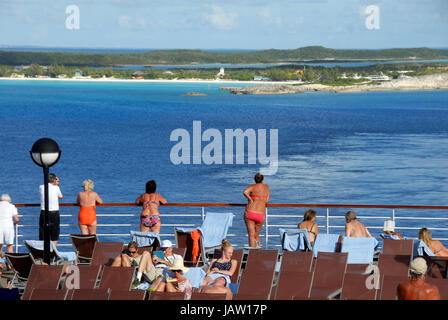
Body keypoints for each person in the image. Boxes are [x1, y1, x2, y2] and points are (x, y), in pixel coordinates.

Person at [243, 173, 270, 248]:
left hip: (250, 212)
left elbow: (245, 192)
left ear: (254, 179)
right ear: (263, 179)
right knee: (256, 234)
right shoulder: (266, 187)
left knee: (251, 235)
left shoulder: (252, 186)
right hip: (261, 214)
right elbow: (267, 200)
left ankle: (252, 254)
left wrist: (251, 199)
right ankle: (258, 253)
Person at [39, 173, 63, 247]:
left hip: (44, 212)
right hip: (54, 213)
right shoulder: (56, 188)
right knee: (54, 235)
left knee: (43, 234)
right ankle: (53, 254)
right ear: (54, 180)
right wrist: (57, 184)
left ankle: (44, 254)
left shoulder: (41, 187)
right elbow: (61, 196)